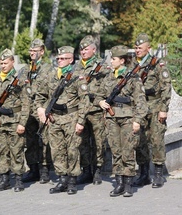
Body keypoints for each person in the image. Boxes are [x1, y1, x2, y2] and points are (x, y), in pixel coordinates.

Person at [35, 46, 90, 195]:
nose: (60, 61)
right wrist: (40, 109)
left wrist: (81, 121)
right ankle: (62, 179)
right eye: (58, 58)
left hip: (71, 118)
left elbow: (85, 101)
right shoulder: (51, 75)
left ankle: (72, 181)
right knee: (57, 151)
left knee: (72, 150)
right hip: (54, 119)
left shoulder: (78, 76)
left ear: (71, 60)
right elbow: (40, 95)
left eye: (63, 58)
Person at [95, 45, 148, 197]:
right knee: (116, 151)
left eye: (114, 59)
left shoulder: (133, 78)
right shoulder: (108, 77)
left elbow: (141, 102)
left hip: (128, 118)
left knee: (128, 151)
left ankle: (128, 183)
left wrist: (137, 120)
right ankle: (119, 183)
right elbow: (98, 95)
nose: (111, 61)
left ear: (122, 60)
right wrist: (100, 102)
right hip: (112, 118)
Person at [0, 49, 30, 192]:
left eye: (6, 63)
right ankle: (4, 179)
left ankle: (18, 179)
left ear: (12, 62)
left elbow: (26, 103)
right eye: (1, 63)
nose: (3, 65)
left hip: (14, 121)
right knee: (0, 151)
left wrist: (22, 123)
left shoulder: (19, 81)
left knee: (16, 151)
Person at [132, 33, 172, 188]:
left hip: (155, 107)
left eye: (140, 48)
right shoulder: (133, 66)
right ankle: (143, 174)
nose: (137, 50)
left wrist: (163, 109)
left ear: (148, 48)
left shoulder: (157, 64)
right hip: (140, 110)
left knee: (156, 141)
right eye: (135, 48)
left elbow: (165, 87)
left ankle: (158, 174)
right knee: (140, 142)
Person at [75, 35, 109, 185]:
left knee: (98, 142)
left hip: (95, 110)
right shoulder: (76, 67)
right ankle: (86, 169)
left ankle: (97, 170)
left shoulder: (101, 66)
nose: (83, 52)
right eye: (81, 49)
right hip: (80, 111)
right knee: (82, 142)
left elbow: (107, 86)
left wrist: (99, 99)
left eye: (86, 49)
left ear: (94, 50)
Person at [20, 38, 52, 184]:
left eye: (35, 51)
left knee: (44, 140)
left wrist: (46, 109)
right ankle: (33, 169)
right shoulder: (26, 69)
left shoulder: (48, 68)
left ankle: (44, 170)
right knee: (30, 140)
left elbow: (50, 90)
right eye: (31, 51)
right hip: (28, 108)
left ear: (42, 52)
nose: (32, 53)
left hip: (41, 108)